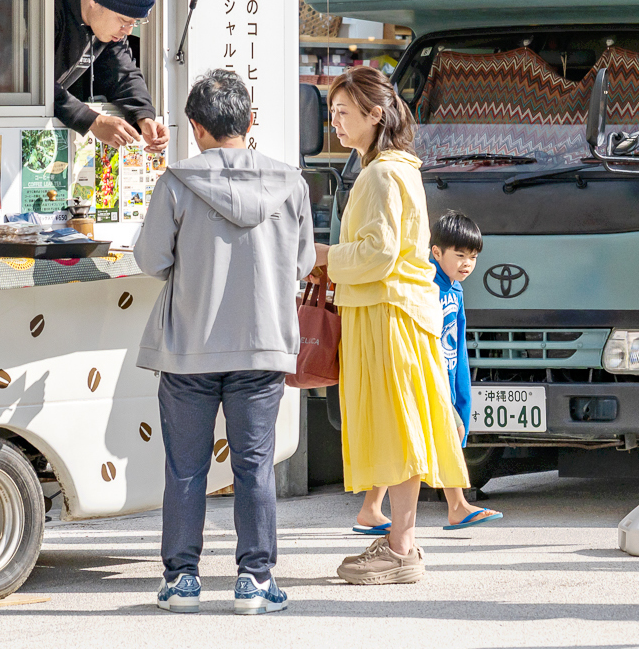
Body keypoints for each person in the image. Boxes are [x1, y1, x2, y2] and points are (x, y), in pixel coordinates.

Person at [133, 69, 315, 615]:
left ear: (196, 127)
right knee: (254, 466)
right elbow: (302, 263)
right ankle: (255, 581)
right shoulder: (291, 183)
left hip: (189, 346)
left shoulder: (176, 183)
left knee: (185, 468)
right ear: (249, 121)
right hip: (261, 345)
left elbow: (151, 260)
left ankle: (181, 581)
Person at [325, 64, 468, 584]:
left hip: (388, 314)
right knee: (402, 428)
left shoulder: (382, 173)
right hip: (396, 311)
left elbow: (378, 253)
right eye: (332, 112)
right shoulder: (396, 167)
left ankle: (401, 547)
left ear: (374, 115)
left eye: (343, 112)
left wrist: (323, 255)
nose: (335, 123)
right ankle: (399, 543)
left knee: (399, 430)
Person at [354, 211, 504, 534]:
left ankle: (372, 508)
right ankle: (456, 506)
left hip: (442, 377)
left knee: (407, 441)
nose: (467, 263)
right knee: (440, 433)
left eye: (473, 257)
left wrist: (459, 388)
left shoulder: (454, 289)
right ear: (436, 252)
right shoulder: (426, 285)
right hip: (423, 376)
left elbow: (456, 343)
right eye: (460, 255)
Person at [53, 0, 170, 154]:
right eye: (123, 21)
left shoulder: (106, 30)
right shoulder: (50, 9)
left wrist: (144, 117)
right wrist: (93, 121)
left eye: (135, 23)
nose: (128, 31)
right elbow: (34, 84)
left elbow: (123, 74)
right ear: (94, 1)